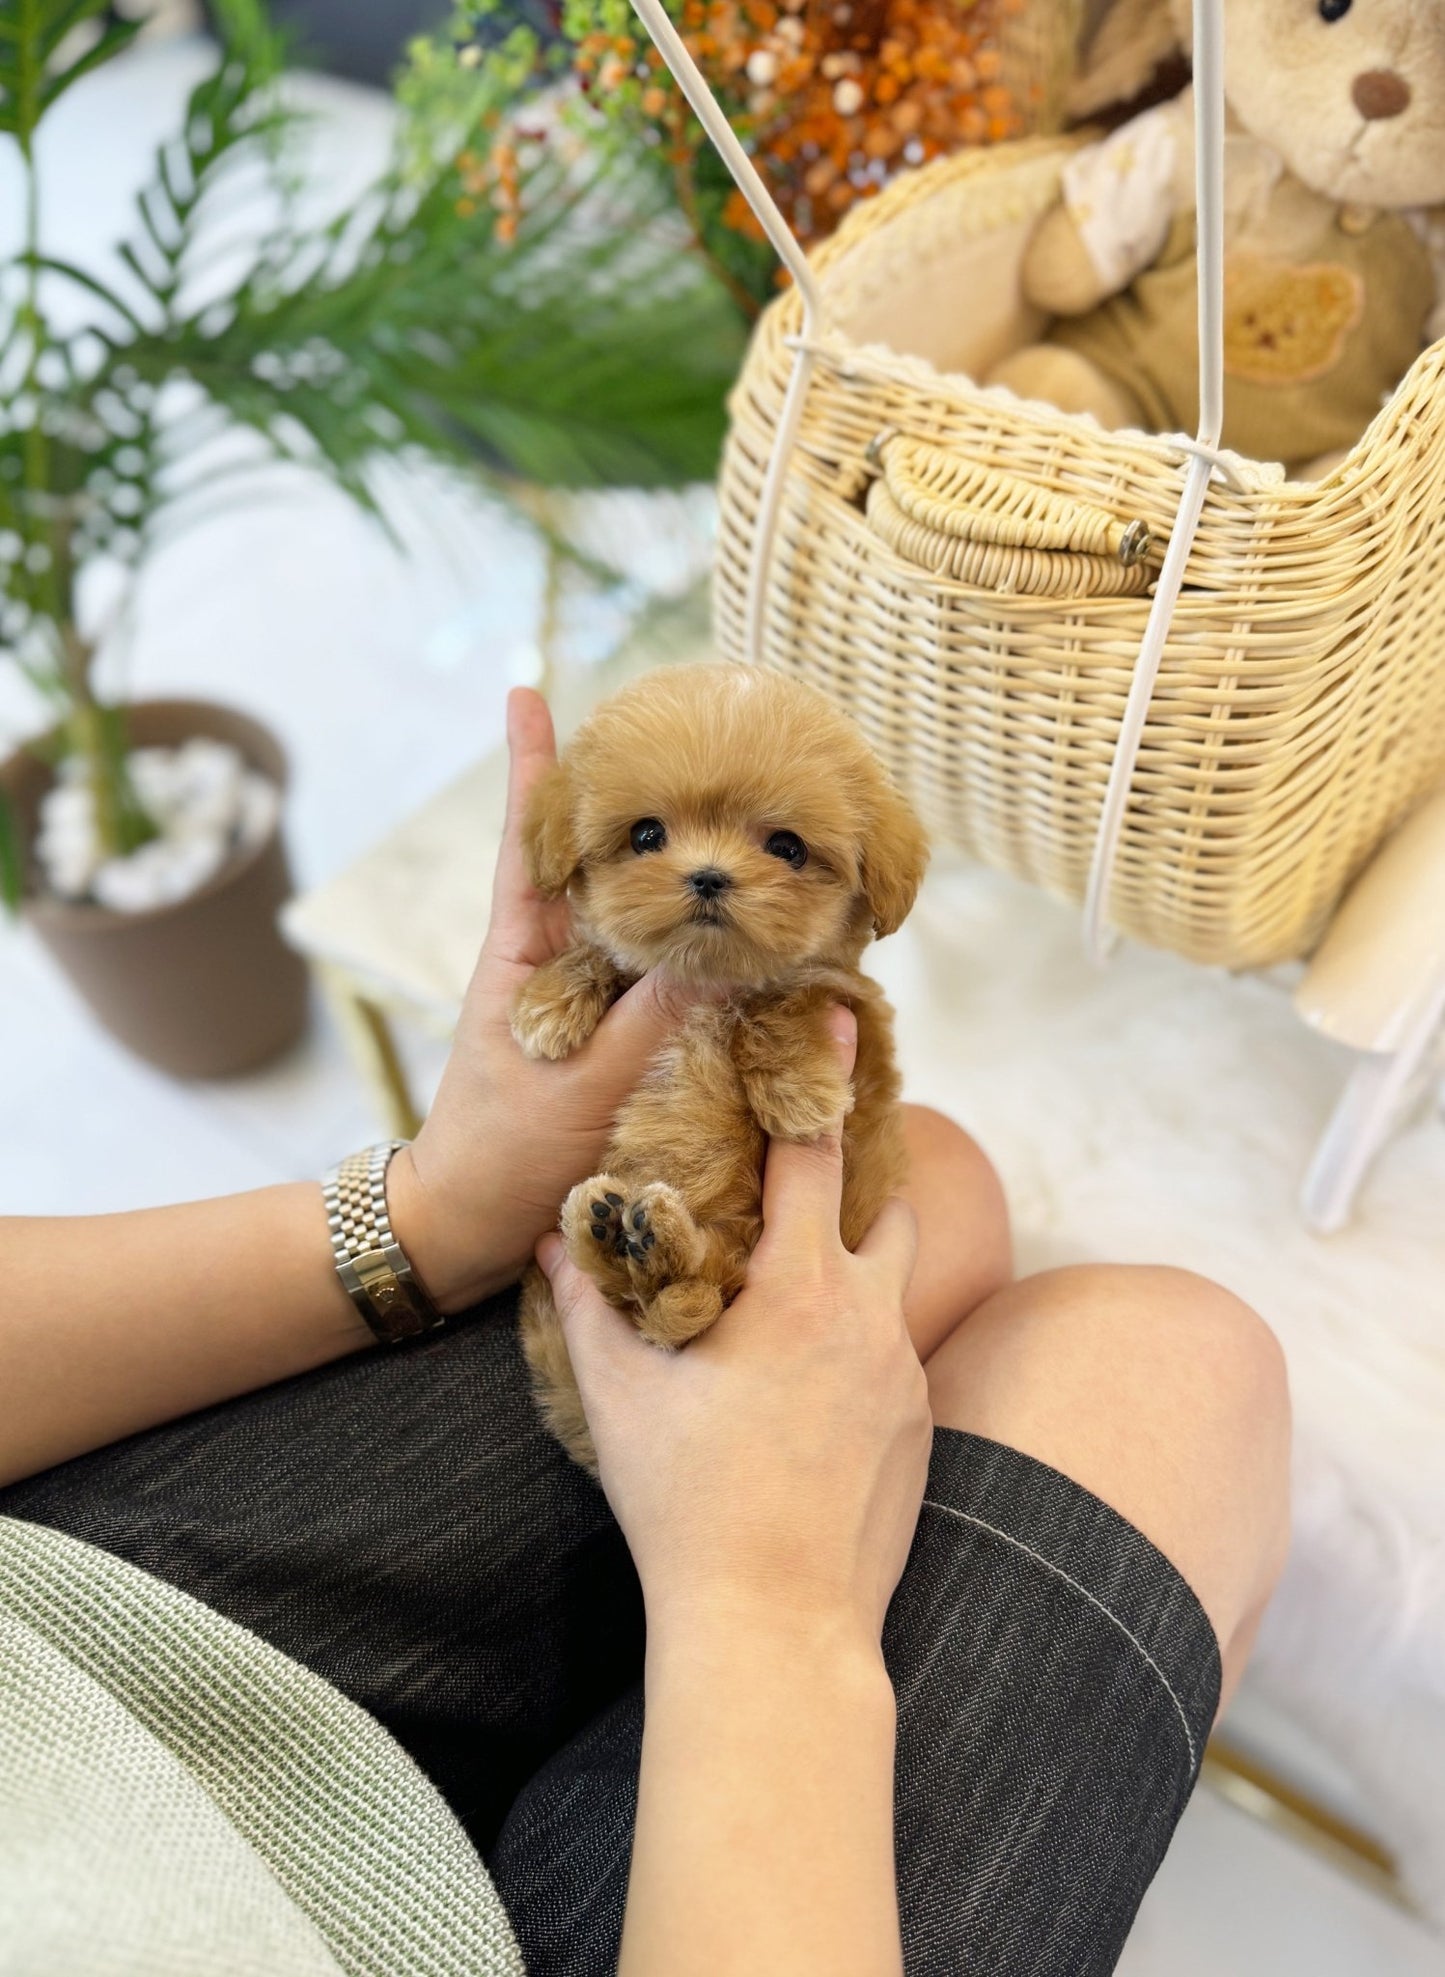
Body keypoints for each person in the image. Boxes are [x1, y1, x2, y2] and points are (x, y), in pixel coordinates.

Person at [0, 689, 1291, 1977]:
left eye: (781, 845)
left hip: (68, 1618)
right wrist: (771, 1596)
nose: (712, 870)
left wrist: (429, 1211)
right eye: (653, 835)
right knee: (1173, 1369)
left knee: (931, 1184)